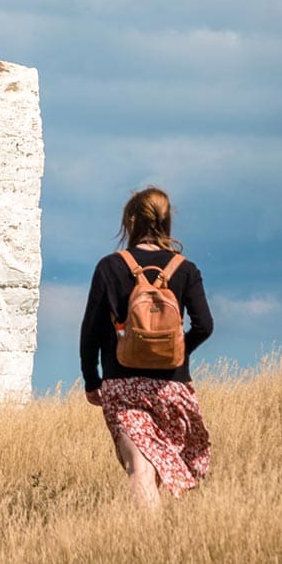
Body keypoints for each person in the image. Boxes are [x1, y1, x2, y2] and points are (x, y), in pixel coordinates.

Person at [79, 185, 213, 509]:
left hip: (122, 385)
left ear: (130, 222)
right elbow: (204, 325)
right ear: (167, 221)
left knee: (139, 466)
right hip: (171, 388)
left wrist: (91, 379)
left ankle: (146, 542)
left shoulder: (109, 267)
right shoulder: (185, 269)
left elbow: (91, 331)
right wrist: (177, 354)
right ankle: (157, 543)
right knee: (155, 469)